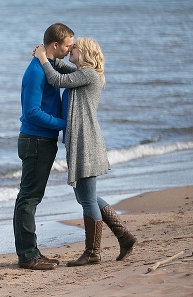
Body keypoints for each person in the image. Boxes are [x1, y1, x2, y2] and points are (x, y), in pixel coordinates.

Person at [35, 37, 137, 266]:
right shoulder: (83, 74)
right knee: (86, 196)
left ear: (86, 53)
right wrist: (50, 56)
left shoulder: (88, 75)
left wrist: (42, 58)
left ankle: (93, 252)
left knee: (87, 198)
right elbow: (62, 68)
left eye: (75, 47)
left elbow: (57, 79)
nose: (71, 49)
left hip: (86, 143)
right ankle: (124, 237)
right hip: (81, 141)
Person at [13, 23, 76, 271]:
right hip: (35, 140)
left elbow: (67, 72)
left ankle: (32, 252)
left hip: (42, 141)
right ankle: (28, 257)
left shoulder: (47, 66)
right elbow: (31, 112)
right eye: (68, 45)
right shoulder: (36, 73)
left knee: (31, 198)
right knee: (28, 199)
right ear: (55, 45)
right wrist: (64, 123)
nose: (70, 49)